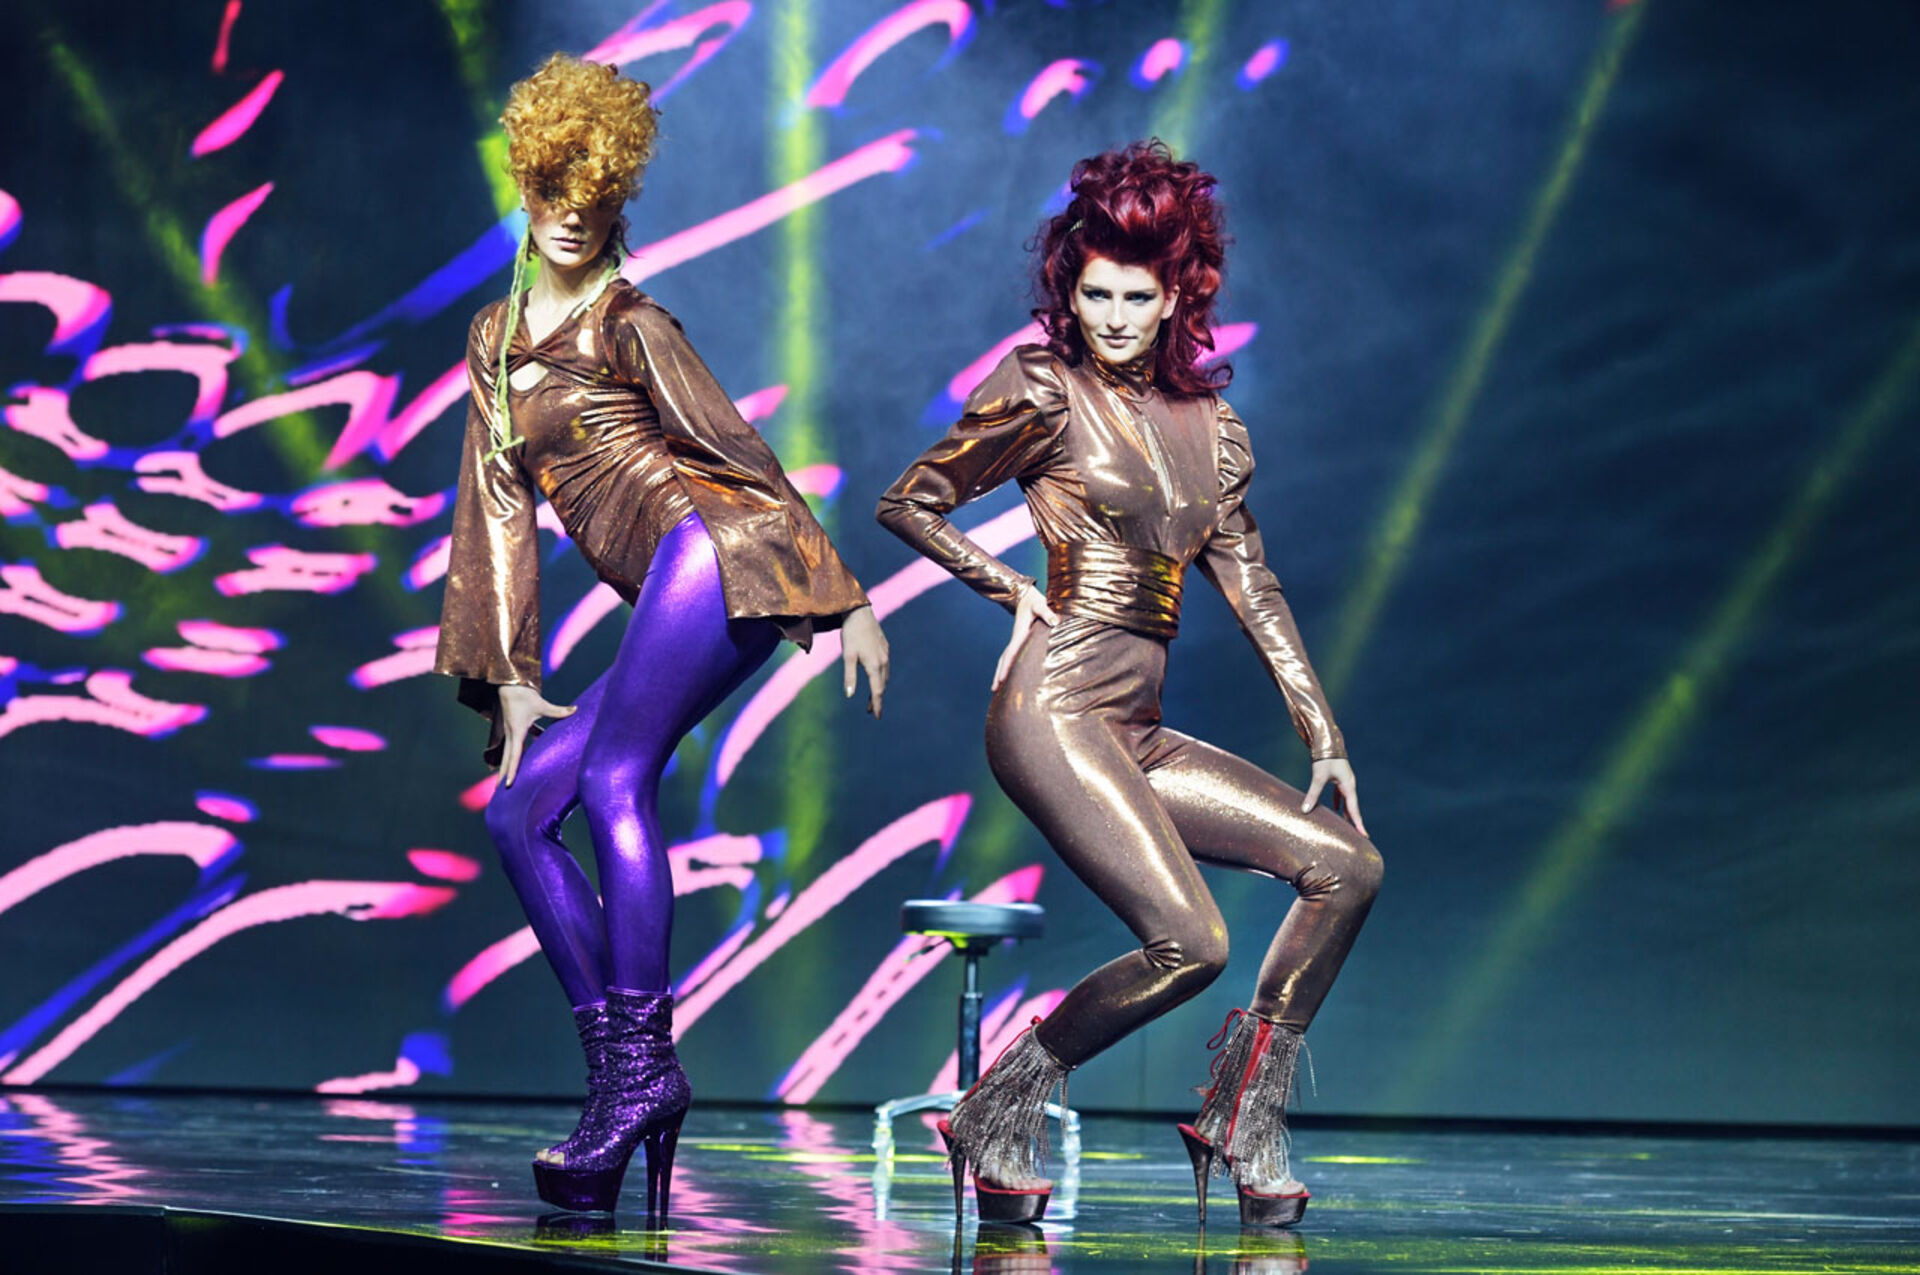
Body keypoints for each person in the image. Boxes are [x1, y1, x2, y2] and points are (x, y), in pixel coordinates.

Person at [876, 140, 1380, 1228]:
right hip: (1052, 708)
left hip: (1136, 725)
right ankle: (996, 1107)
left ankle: (1244, 1114)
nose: (1111, 317)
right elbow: (909, 500)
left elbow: (1254, 588)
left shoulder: (1215, 433)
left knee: (1347, 867)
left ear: (1175, 297)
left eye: (1135, 296)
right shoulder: (1041, 388)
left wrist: (1324, 735)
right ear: (1072, 291)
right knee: (1193, 943)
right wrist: (1010, 587)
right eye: (1095, 293)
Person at [433, 53, 889, 1217]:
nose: (570, 216)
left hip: (715, 550)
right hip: (675, 590)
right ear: (526, 187)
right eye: (552, 193)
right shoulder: (494, 340)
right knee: (519, 813)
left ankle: (638, 1075)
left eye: (593, 200)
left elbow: (736, 450)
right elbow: (494, 503)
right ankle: (625, 1080)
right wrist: (511, 675)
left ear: (617, 202)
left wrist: (845, 597)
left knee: (614, 782)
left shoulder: (631, 322)